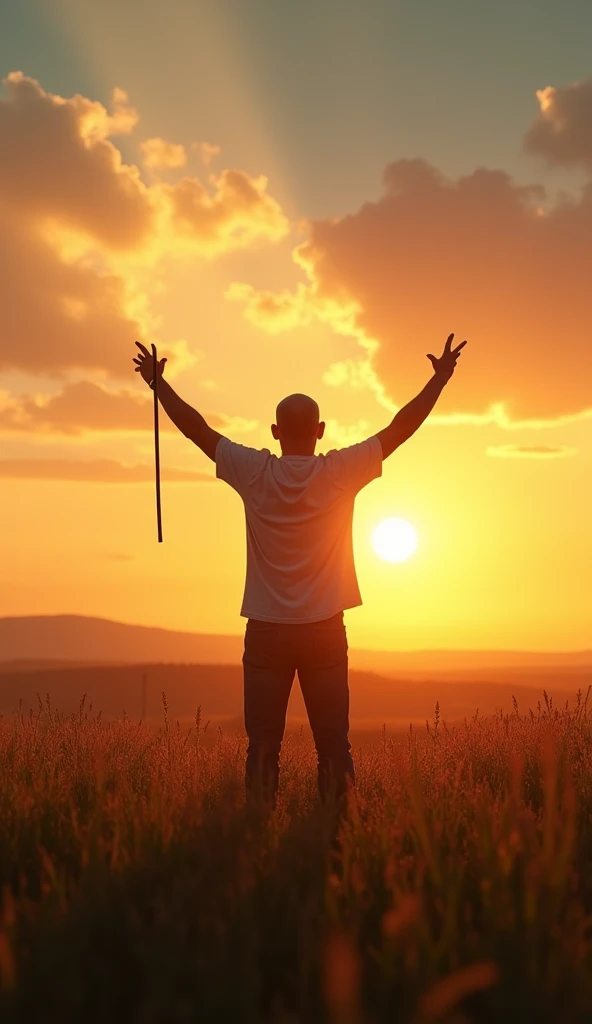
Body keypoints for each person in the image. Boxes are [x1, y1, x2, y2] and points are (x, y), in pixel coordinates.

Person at [133, 333, 467, 809]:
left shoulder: (253, 472)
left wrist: (159, 385)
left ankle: (257, 839)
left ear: (274, 431)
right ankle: (336, 840)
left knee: (262, 747)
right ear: (321, 430)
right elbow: (399, 429)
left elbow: (197, 430)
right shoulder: (339, 472)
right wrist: (439, 380)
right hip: (324, 632)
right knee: (334, 745)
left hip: (266, 632)